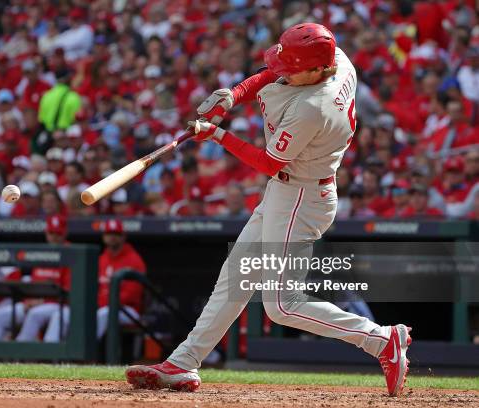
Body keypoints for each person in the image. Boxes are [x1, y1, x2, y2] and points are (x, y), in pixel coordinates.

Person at [126, 23, 411, 397]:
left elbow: (269, 163)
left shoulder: (314, 107)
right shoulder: (335, 59)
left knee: (282, 306)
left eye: (293, 67)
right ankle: (184, 363)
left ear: (314, 71)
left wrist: (218, 136)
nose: (283, 70)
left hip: (301, 198)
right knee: (235, 279)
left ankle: (381, 340)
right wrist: (235, 95)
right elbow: (272, 74)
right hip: (288, 191)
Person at [45, 219, 146, 342]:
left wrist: (98, 304)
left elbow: (130, 295)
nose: (112, 237)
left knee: (104, 313)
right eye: (109, 234)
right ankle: (51, 352)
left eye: (116, 234)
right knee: (64, 313)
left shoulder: (134, 260)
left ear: (123, 237)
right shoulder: (101, 259)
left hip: (127, 311)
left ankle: (84, 351)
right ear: (104, 236)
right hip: (100, 306)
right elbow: (89, 288)